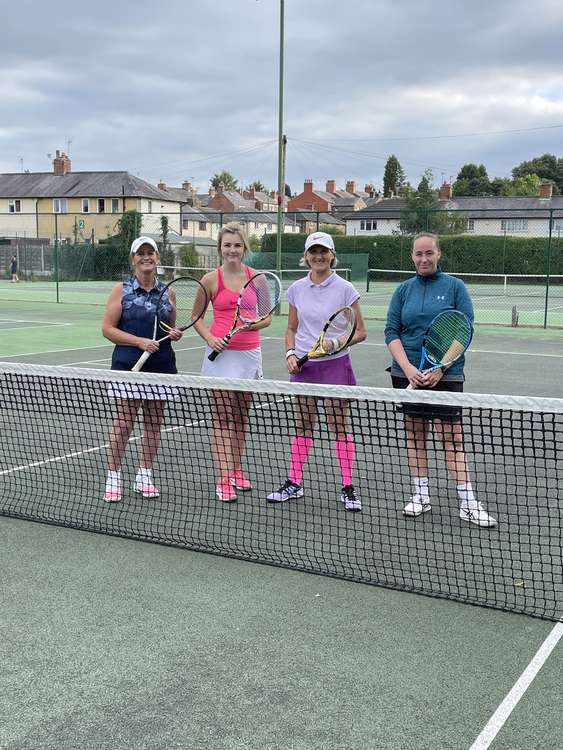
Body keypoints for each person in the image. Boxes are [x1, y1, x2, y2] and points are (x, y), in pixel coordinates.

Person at [384, 232, 497, 527]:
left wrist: (441, 368)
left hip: (446, 375)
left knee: (452, 439)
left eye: (429, 253)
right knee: (415, 434)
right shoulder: (404, 290)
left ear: (438, 254)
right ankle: (420, 495)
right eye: (418, 254)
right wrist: (408, 368)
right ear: (412, 256)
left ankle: (468, 503)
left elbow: (463, 329)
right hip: (406, 373)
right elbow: (391, 332)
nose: (424, 259)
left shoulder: (455, 287)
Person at [267, 231, 367, 511]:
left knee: (338, 426)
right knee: (303, 424)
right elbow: (291, 329)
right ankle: (294, 482)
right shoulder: (297, 289)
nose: (318, 256)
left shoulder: (345, 288)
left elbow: (360, 332)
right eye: (314, 251)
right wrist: (289, 353)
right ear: (306, 256)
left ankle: (348, 487)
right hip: (304, 366)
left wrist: (336, 342)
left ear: (332, 255)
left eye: (324, 251)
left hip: (336, 366)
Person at [194, 222, 272, 503]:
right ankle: (224, 477)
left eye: (237, 245)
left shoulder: (258, 279)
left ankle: (237, 469)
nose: (232, 250)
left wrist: (253, 325)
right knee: (222, 417)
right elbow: (198, 319)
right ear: (220, 248)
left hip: (249, 354)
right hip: (220, 356)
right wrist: (210, 339)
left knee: (240, 416)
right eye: (227, 245)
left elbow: (267, 316)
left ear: (245, 248)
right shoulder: (210, 279)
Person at [101, 236, 182, 503]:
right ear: (133, 258)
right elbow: (108, 330)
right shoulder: (121, 290)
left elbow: (169, 327)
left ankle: (144, 475)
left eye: (151, 253)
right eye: (141, 253)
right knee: (123, 423)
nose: (146, 257)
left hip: (161, 367)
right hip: (128, 366)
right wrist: (138, 342)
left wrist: (174, 333)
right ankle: (114, 477)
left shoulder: (168, 292)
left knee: (153, 424)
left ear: (158, 257)